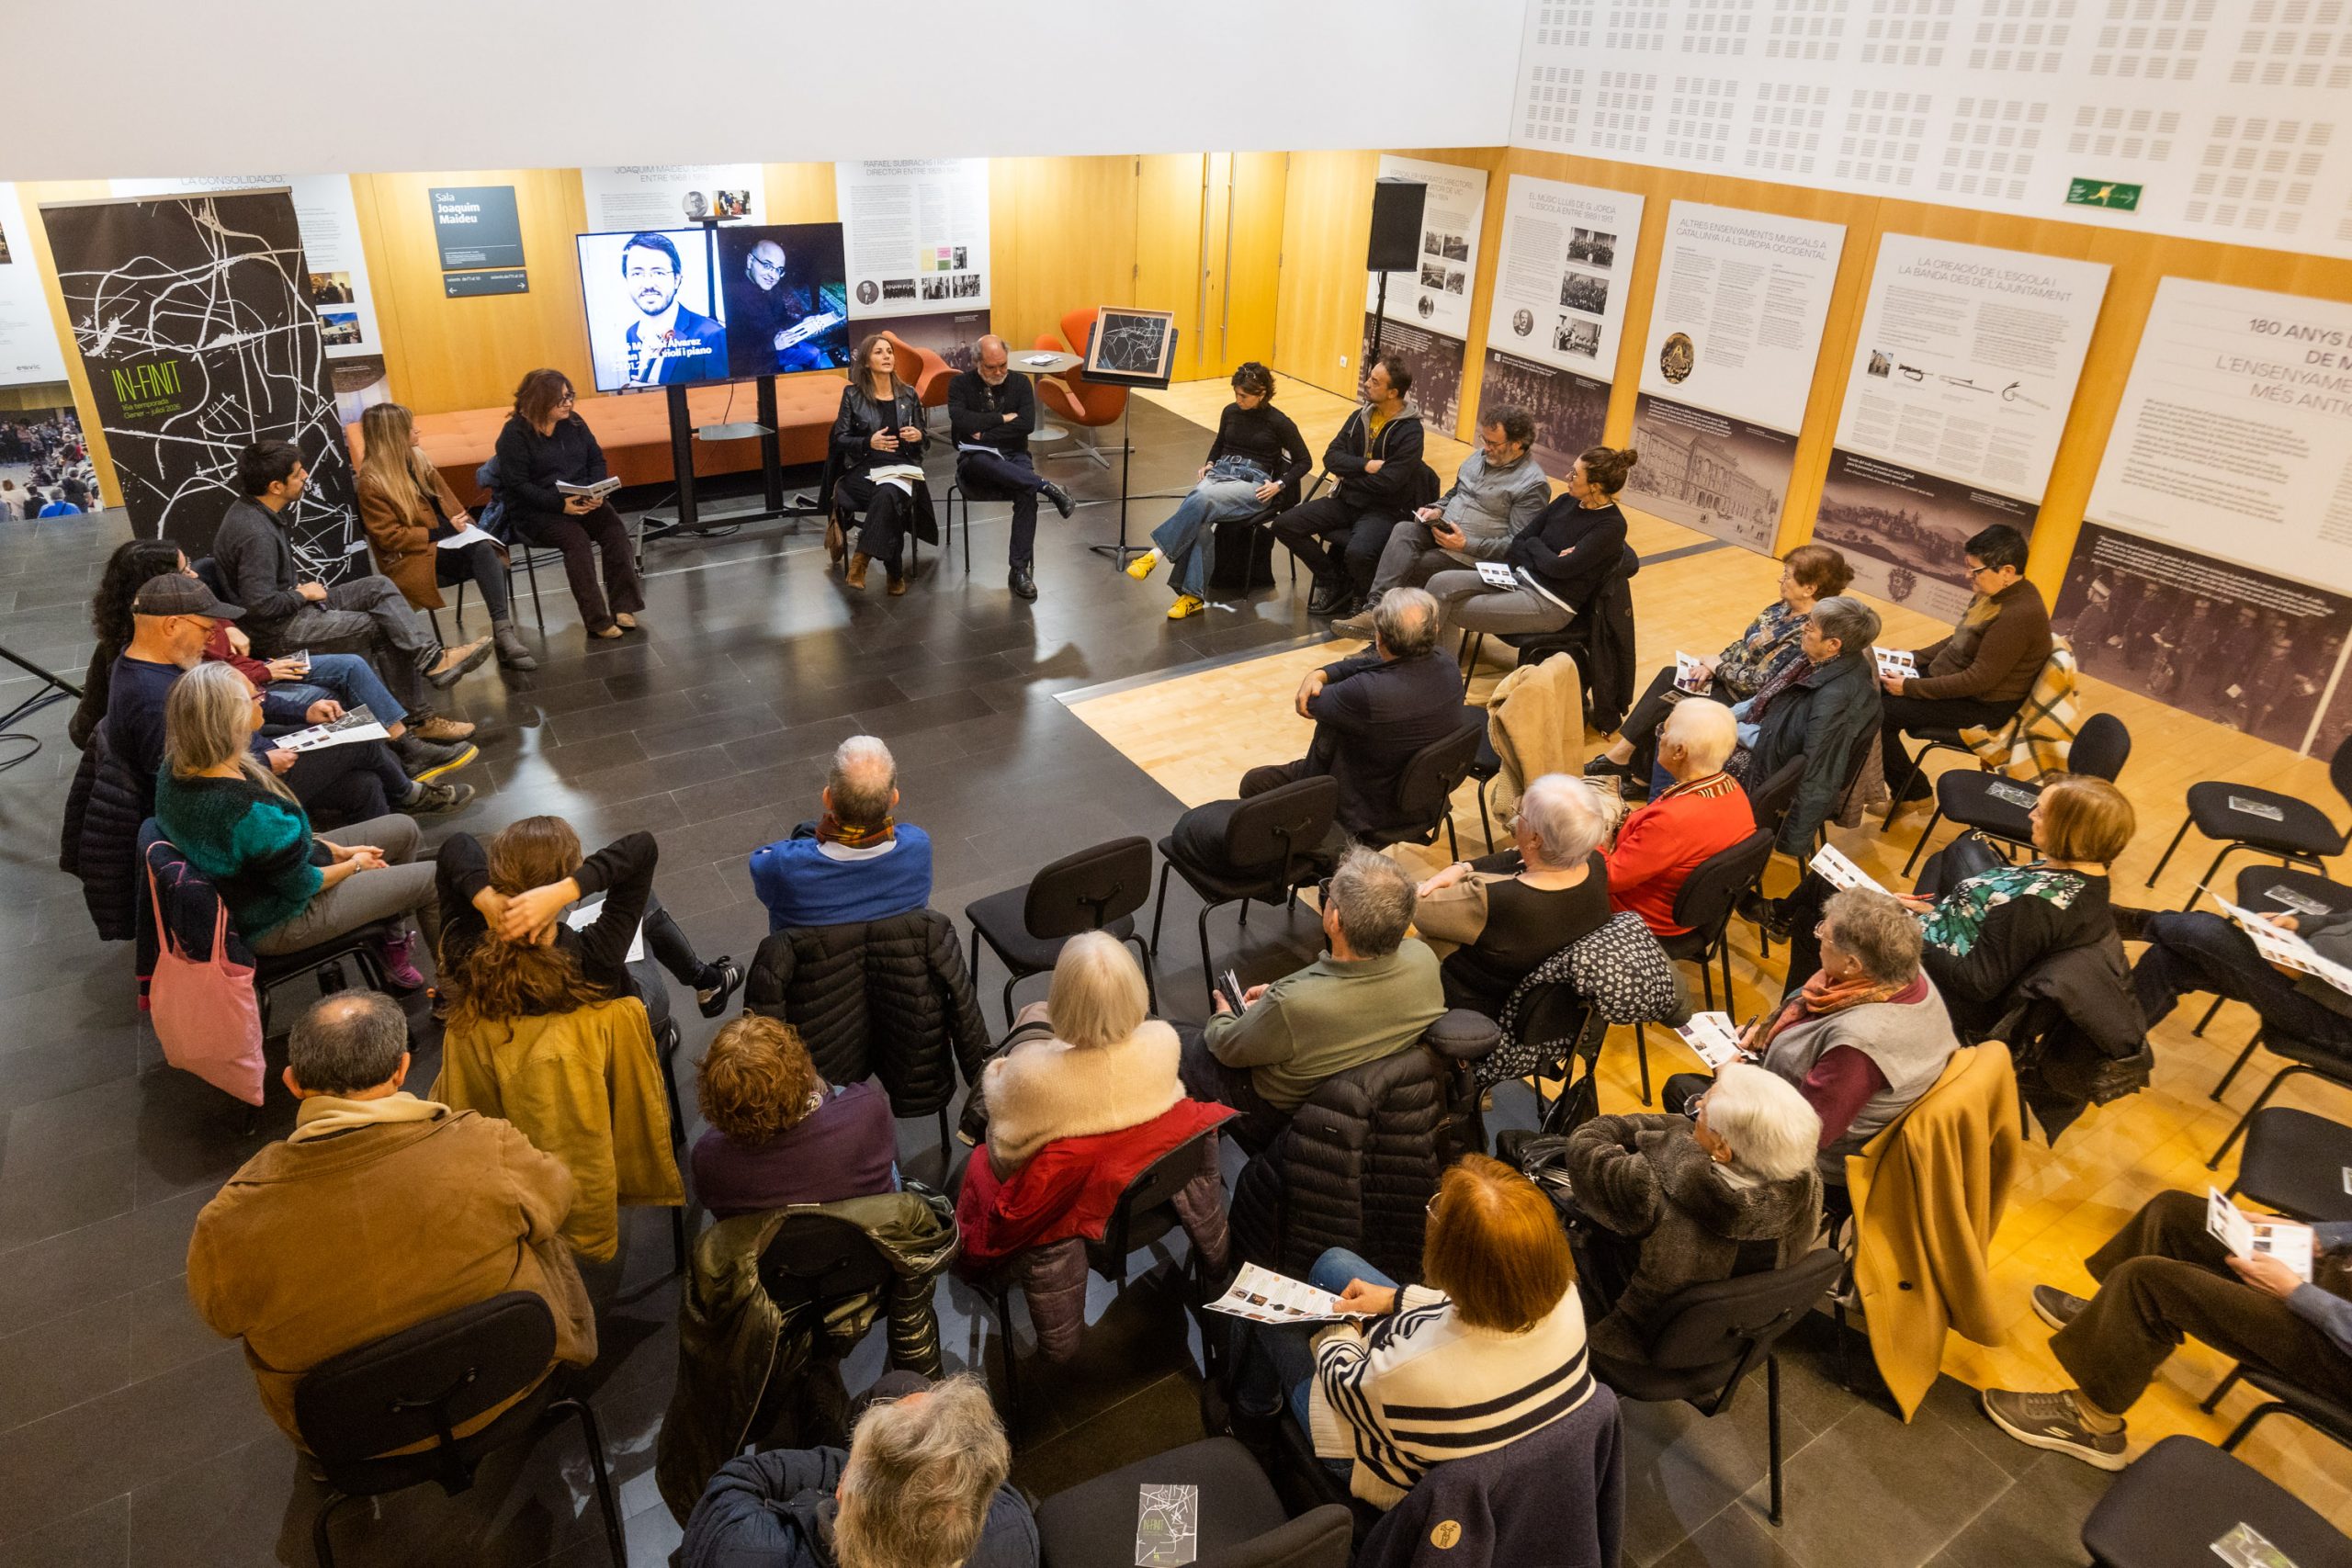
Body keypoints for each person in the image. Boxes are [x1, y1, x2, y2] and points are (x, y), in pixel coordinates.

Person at [186, 992, 596, 1451]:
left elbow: (222, 1319)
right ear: (402, 1068)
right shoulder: (485, 1144)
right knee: (538, 1228)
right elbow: (559, 1196)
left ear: (293, 1083)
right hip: (510, 1382)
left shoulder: (227, 1221)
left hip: (351, 1437)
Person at [1232, 1155, 1593, 1508]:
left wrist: (1342, 1327)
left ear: (1458, 1269)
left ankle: (1251, 1426)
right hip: (1463, 1414)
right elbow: (1468, 1304)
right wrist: (1394, 1299)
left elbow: (1343, 1384)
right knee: (1335, 1263)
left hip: (1369, 1453)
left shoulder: (1417, 1373)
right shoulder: (1562, 1295)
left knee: (1265, 1316)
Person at [1980, 1190, 2352, 1471]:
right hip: (2339, 1284)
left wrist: (2296, 1293)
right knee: (2173, 1212)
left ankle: (2092, 1422)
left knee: (2148, 1282)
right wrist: (2324, 1237)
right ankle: (2115, 1322)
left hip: (2340, 1348)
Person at [69, 539, 469, 782]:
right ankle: (404, 759)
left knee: (349, 664)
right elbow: (208, 704)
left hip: (252, 676)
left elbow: (216, 641)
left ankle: (408, 739)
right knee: (344, 712)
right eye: (184, 572)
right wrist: (264, 671)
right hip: (250, 685)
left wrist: (228, 626)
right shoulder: (148, 658)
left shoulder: (173, 620)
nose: (194, 576)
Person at [152, 662, 445, 983]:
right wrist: (356, 865)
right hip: (278, 921)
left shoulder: (177, 767)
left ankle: (390, 943)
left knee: (403, 828)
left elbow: (276, 850)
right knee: (433, 879)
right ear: (233, 718)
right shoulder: (247, 810)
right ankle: (454, 993)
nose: (263, 698)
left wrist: (336, 851)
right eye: (256, 696)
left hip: (265, 884)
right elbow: (303, 884)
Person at [112, 577, 469, 829]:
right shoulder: (150, 696)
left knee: (366, 785)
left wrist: (304, 711)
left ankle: (378, 871)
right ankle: (408, 793)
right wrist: (265, 759)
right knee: (360, 738)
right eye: (207, 629)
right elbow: (187, 782)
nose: (211, 638)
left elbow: (243, 702)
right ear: (172, 625)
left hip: (249, 759)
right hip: (241, 792)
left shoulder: (157, 665)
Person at [1663, 886, 1960, 1190]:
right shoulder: (1900, 974)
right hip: (1802, 1099)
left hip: (1806, 1159)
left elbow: (1803, 1133)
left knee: (1680, 1091)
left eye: (1823, 935)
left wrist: (1732, 1080)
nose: (1817, 938)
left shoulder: (1860, 1045)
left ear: (1852, 964)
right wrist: (1766, 1034)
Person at [210, 438, 491, 726]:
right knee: (381, 626)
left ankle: (433, 660)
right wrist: (303, 595)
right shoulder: (256, 533)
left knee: (378, 587)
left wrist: (299, 594)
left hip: (289, 609)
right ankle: (420, 721)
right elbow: (260, 605)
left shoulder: (254, 512)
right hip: (279, 630)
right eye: (297, 473)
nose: (305, 475)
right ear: (276, 487)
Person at [1564, 1062, 1824, 1362]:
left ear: (1723, 1151)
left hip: (1634, 1340)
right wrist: (1689, 1134)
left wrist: (1670, 1141)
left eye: (1703, 1109)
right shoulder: (1809, 1189)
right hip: (1733, 1341)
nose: (1697, 1104)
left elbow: (1585, 1147)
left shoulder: (1652, 1184)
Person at [1178, 848, 1445, 1141]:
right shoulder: (1424, 958)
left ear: (1336, 920)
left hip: (1277, 1114)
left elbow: (1226, 1047)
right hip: (1370, 1108)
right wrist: (1277, 1001)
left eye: (1329, 894)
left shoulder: (1294, 1004)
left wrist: (1224, 1014)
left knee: (1173, 1038)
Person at [678, 1372, 1038, 1568]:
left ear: (843, 1490)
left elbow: (737, 1480)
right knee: (901, 1385)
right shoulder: (1012, 1529)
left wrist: (844, 1463)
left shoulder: (746, 1549)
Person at [435, 818, 742, 1041]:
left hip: (538, 1051)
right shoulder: (594, 955)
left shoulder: (466, 952)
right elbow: (642, 848)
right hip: (626, 1028)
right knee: (643, 904)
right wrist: (568, 889)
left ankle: (706, 982)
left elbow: (456, 844)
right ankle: (681, 1011)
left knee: (640, 907)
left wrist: (485, 897)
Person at [1586, 544, 1854, 785]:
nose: (1780, 579)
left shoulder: (1805, 633)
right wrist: (1712, 664)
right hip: (1727, 678)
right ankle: (1626, 759)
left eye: (1787, 575)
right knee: (1671, 677)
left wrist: (1718, 668)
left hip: (1741, 699)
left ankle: (1633, 769)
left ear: (1809, 588)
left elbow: (1760, 682)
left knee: (1676, 705)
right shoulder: (1781, 608)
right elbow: (1744, 643)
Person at [1209, 586, 1464, 840]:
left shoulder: (1365, 693)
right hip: (1422, 801)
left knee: (1254, 783)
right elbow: (1375, 664)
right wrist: (1322, 672)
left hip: (1363, 809)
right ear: (1435, 630)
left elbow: (1309, 703)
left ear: (1378, 638)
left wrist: (1316, 678)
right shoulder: (1448, 664)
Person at [1902, 776, 2135, 1038]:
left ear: (2069, 832)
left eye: (2041, 813)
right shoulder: (2087, 873)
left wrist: (1904, 933)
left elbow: (1976, 983)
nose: (2030, 814)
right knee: (1951, 854)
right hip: (1962, 934)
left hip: (1953, 990)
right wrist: (1934, 912)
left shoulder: (2036, 907)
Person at [1329, 403, 1552, 637]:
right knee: (1404, 530)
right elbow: (1455, 493)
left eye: (1493, 443)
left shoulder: (1532, 484)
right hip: (1443, 533)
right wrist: (1437, 509)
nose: (1486, 448)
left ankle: (1389, 636)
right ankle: (1375, 609)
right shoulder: (1478, 458)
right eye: (1484, 440)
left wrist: (1466, 544)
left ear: (1517, 444)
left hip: (1473, 557)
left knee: (1412, 565)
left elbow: (1517, 545)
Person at [973, 931, 1182, 1174]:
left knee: (1032, 1016)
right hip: (1137, 1174)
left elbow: (1001, 1154)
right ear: (1136, 990)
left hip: (1053, 1189)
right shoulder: (1165, 1042)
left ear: (1060, 999)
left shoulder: (1029, 1078)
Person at [1878, 524, 2053, 812]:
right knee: (1868, 687)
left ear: (2007, 572)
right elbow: (1958, 639)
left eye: (1975, 570)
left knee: (1878, 713)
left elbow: (1978, 680)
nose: (1967, 575)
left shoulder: (2018, 614)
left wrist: (1910, 687)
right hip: (1955, 682)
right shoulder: (1993, 593)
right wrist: (1912, 658)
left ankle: (1912, 793)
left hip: (1982, 705)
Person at [1409, 772, 1612, 1015]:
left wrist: (1442, 880)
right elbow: (1518, 854)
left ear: (1535, 838)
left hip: (1476, 1002)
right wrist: (1462, 867)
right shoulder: (1594, 863)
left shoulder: (1495, 899)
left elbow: (1418, 910)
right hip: (1547, 1001)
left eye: (1521, 814)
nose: (1516, 820)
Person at [355, 400, 536, 672]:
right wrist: (443, 531)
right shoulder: (372, 482)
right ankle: (504, 636)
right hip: (413, 556)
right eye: (410, 427)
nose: (417, 430)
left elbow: (451, 506)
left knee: (486, 549)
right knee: (485, 554)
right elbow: (390, 538)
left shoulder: (419, 461)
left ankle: (503, 631)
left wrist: (464, 527)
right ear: (394, 435)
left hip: (449, 543)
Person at [1123, 361, 1309, 619]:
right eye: (1236, 394)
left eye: (1244, 396)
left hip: (1254, 484)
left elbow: (1305, 461)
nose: (1238, 400)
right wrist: (1210, 463)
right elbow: (1220, 443)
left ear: (1262, 393)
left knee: (1201, 497)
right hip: (1221, 472)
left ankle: (1156, 553)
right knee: (1199, 521)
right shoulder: (1230, 412)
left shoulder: (1279, 422)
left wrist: (1279, 484)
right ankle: (1192, 597)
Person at [691, 1012, 899, 1220]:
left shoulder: (708, 1158)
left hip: (766, 1241)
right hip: (866, 1234)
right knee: (838, 1092)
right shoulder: (867, 1109)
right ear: (801, 1070)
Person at [493, 367, 648, 640]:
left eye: (570, 396)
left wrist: (597, 491)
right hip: (537, 511)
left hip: (582, 499)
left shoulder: (574, 422)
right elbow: (518, 486)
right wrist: (560, 506)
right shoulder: (514, 435)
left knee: (615, 532)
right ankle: (596, 620)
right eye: (562, 398)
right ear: (541, 400)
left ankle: (624, 606)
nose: (568, 403)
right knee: (576, 542)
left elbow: (596, 459)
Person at [1270, 354, 1426, 617]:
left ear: (1393, 393)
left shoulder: (1411, 432)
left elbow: (1390, 482)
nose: (1367, 383)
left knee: (1358, 552)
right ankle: (1333, 580)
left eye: (1375, 381)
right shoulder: (1359, 417)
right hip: (1345, 500)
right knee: (1284, 525)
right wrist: (1365, 465)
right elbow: (1331, 457)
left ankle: (1361, 594)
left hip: (1382, 510)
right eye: (1369, 378)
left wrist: (1348, 475)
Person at [1424, 445, 1634, 639]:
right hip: (1517, 576)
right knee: (1439, 583)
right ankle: (1430, 661)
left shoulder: (1612, 526)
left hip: (1550, 601)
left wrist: (1534, 545)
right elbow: (1520, 541)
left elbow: (1559, 569)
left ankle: (1435, 665)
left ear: (1595, 486)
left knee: (1449, 608)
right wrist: (1543, 552)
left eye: (1575, 474)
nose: (1567, 476)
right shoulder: (1566, 501)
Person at [1739, 595, 1883, 859]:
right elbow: (1765, 697)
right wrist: (1723, 716)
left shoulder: (1837, 699)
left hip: (1771, 767)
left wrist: (1726, 728)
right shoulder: (1812, 659)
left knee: (1689, 750)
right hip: (1765, 737)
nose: (1803, 627)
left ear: (1833, 644)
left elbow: (1819, 772)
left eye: (1811, 626)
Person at [750, 736, 934, 931]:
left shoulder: (780, 866)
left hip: (814, 951)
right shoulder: (918, 846)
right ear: (894, 798)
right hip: (895, 947)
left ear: (827, 798)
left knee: (806, 830)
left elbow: (761, 862)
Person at [1603, 699, 1754, 936]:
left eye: (1664, 731)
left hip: (1643, 917)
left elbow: (1610, 878)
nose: (1660, 738)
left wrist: (1593, 838)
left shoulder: (1672, 821)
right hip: (1694, 908)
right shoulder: (1731, 787)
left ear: (1679, 751)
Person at [2130, 901, 2352, 1057]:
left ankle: (2133, 922)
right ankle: (2114, 1056)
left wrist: (2307, 976)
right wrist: (2298, 924)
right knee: (2170, 959)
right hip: (2308, 960)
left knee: (2202, 931)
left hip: (2336, 1018)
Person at [948, 333, 1075, 602]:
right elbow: (961, 423)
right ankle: (1047, 487)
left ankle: (1019, 570)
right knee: (989, 464)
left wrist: (984, 431)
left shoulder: (1020, 382)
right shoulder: (960, 384)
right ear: (977, 362)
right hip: (976, 459)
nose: (999, 372)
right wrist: (1003, 418)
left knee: (1025, 492)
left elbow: (1025, 424)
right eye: (991, 367)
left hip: (1014, 455)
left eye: (1003, 365)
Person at [829, 335, 930, 595]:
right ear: (865, 361)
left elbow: (925, 441)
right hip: (863, 469)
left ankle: (861, 559)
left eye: (889, 351)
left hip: (901, 468)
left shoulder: (908, 394)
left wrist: (918, 436)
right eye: (879, 352)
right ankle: (894, 571)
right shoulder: (852, 395)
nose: (887, 356)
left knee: (887, 493)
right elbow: (839, 439)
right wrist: (868, 442)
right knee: (887, 498)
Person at [719, 235, 848, 374]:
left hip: (774, 344)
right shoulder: (729, 300)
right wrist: (773, 345)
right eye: (767, 265)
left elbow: (781, 318)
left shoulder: (772, 287)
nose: (773, 276)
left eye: (778, 269)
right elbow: (732, 354)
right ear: (750, 261)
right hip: (755, 361)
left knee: (814, 354)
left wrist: (803, 321)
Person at [616, 231, 726, 387]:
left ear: (677, 279)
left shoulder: (711, 335)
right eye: (637, 273)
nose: (648, 284)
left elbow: (721, 396)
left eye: (658, 273)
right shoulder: (632, 333)